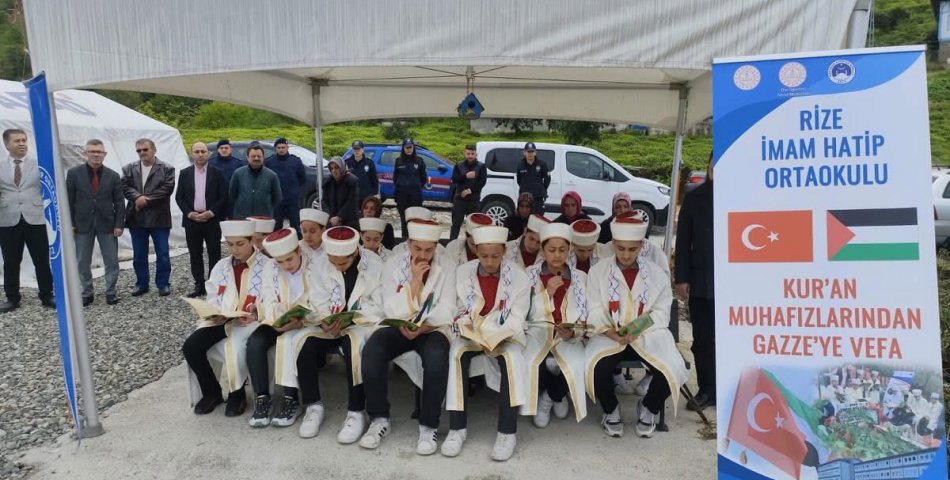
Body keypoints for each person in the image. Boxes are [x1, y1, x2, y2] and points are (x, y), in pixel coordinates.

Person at [585, 214, 688, 438]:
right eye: (620, 248)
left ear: (641, 245)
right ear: (613, 244)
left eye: (632, 249)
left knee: (672, 368)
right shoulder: (597, 272)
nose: (626, 254)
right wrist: (610, 331)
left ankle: (648, 407)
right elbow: (593, 308)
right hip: (609, 335)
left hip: (647, 334)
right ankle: (611, 409)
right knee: (595, 368)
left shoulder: (657, 274)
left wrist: (637, 328)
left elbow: (661, 311)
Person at [359, 219, 455, 455]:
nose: (422, 255)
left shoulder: (448, 265)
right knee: (373, 350)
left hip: (431, 327)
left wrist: (422, 327)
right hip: (398, 324)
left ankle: (429, 425)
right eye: (417, 248)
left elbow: (448, 309)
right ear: (409, 244)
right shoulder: (393, 264)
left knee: (437, 356)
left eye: (428, 250)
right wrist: (414, 282)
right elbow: (390, 308)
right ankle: (379, 419)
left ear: (436, 247)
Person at [442, 225, 530, 461]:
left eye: (495, 256)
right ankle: (457, 428)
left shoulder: (519, 277)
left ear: (504, 252)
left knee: (512, 359)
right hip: (472, 333)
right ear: (476, 251)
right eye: (484, 256)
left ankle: (507, 432)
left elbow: (518, 316)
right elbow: (458, 308)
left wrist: (497, 335)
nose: (489, 262)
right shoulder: (463, 272)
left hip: (504, 334)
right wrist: (467, 327)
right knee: (457, 353)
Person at [297, 226, 385, 442]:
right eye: (333, 262)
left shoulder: (375, 265)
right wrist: (326, 319)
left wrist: (352, 318)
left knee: (352, 348)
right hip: (329, 325)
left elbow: (380, 303)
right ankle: (313, 406)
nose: (336, 267)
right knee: (305, 346)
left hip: (361, 323)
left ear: (355, 253)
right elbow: (317, 298)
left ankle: (356, 411)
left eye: (343, 264)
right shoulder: (321, 263)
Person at [182, 220, 269, 417]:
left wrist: (257, 311)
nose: (234, 249)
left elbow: (274, 297)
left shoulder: (267, 266)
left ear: (251, 241)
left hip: (251, 322)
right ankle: (211, 392)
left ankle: (237, 394)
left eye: (240, 244)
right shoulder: (221, 266)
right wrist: (214, 311)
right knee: (191, 346)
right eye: (230, 244)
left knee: (234, 348)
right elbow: (213, 294)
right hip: (222, 320)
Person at [245, 229, 320, 428]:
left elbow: (321, 300)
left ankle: (291, 398)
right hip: (278, 320)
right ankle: (263, 397)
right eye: (280, 261)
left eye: (289, 259)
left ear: (299, 251)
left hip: (307, 321)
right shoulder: (270, 267)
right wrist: (273, 315)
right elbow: (268, 297)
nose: (286, 266)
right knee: (255, 342)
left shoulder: (315, 265)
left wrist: (301, 320)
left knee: (288, 341)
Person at [524, 223, 589, 429]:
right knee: (530, 360)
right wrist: (547, 294)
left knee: (580, 362)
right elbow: (523, 311)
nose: (557, 255)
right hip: (538, 333)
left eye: (562, 250)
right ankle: (554, 394)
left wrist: (573, 332)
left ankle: (550, 397)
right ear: (542, 250)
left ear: (570, 250)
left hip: (568, 337)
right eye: (551, 250)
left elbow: (587, 313)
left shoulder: (580, 278)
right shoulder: (530, 274)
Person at [674, 154, 714, 410]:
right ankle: (707, 389)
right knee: (702, 339)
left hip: (734, 283)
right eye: (713, 163)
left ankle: (729, 388)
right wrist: (681, 278)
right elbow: (683, 240)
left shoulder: (745, 195)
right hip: (701, 280)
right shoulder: (694, 197)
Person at [0, 129, 55, 313]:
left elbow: (50, 188)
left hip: (36, 218)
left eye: (24, 140)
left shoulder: (39, 165)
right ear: (7, 144)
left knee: (41, 260)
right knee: (10, 261)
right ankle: (12, 298)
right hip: (7, 220)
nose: (22, 143)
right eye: (17, 141)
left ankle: (47, 295)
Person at [66, 139, 125, 306]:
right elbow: (68, 200)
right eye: (92, 151)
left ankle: (111, 291)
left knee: (111, 260)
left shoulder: (113, 176)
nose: (96, 155)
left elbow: (119, 202)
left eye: (99, 152)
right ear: (85, 153)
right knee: (82, 261)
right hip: (82, 224)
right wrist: (70, 223)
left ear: (105, 154)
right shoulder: (73, 173)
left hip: (107, 224)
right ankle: (87, 292)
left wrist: (119, 224)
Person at [122, 138, 176, 297]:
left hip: (159, 218)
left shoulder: (167, 168)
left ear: (154, 150)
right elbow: (124, 187)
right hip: (136, 218)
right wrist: (137, 197)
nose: (142, 153)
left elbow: (166, 189)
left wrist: (144, 200)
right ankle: (141, 284)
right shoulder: (128, 168)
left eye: (145, 149)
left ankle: (163, 284)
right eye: (138, 150)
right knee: (139, 254)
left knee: (163, 253)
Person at [176, 142, 229, 298]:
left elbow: (224, 196)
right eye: (197, 151)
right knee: (195, 253)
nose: (200, 154)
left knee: (214, 252)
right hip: (192, 221)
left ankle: (213, 283)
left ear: (209, 153)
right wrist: (189, 213)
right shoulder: (185, 173)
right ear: (192, 154)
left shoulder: (217, 173)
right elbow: (179, 197)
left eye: (203, 151)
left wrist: (211, 212)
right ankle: (199, 284)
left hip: (211, 220)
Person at [264, 138, 307, 235]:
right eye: (279, 148)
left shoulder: (295, 161)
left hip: (292, 200)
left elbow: (302, 179)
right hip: (277, 200)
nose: (281, 150)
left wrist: (294, 190)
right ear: (275, 148)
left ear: (287, 147)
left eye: (283, 147)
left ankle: (297, 243)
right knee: (276, 227)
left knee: (296, 226)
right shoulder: (269, 162)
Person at [230, 142, 282, 219]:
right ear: (247, 158)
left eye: (259, 156)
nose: (256, 158)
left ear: (263, 157)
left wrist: (266, 207)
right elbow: (232, 196)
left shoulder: (272, 176)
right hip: (242, 218)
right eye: (253, 156)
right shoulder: (238, 174)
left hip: (264, 219)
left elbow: (277, 198)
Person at [449, 144, 486, 240]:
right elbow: (454, 179)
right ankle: (452, 245)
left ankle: (471, 246)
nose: (470, 156)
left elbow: (482, 182)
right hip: (459, 200)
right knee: (455, 225)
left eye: (472, 154)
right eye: (468, 153)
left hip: (474, 201)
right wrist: (465, 176)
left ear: (476, 154)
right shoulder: (459, 165)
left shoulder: (481, 166)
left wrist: (470, 190)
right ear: (464, 153)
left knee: (473, 227)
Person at [392, 138, 428, 237]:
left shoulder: (419, 161)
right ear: (403, 148)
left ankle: (414, 239)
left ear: (413, 148)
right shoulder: (398, 161)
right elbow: (395, 177)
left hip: (415, 195)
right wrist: (401, 185)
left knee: (414, 219)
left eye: (410, 147)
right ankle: (404, 240)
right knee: (404, 219)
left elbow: (424, 178)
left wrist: (415, 186)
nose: (408, 149)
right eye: (406, 147)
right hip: (402, 194)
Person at [322, 156, 360, 228]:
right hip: (332, 221)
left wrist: (339, 217)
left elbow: (351, 202)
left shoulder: (352, 181)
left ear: (342, 167)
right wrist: (331, 217)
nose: (334, 171)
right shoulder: (327, 182)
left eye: (336, 167)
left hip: (349, 221)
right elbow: (324, 201)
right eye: (331, 168)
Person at [515, 142, 550, 215]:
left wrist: (542, 189)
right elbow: (519, 181)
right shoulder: (520, 165)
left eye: (532, 151)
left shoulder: (542, 164)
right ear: (524, 152)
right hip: (524, 199)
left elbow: (547, 179)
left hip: (538, 198)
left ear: (535, 152)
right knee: (524, 218)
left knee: (538, 218)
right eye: (528, 151)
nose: (530, 154)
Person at [345, 140, 379, 207]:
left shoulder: (369, 163)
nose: (356, 151)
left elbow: (374, 180)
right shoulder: (347, 163)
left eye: (358, 149)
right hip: (351, 197)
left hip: (366, 197)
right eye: (354, 149)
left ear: (363, 149)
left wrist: (374, 195)